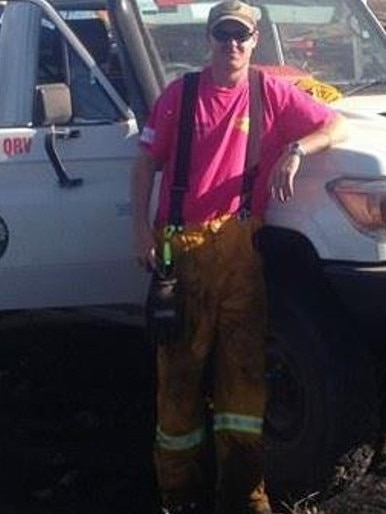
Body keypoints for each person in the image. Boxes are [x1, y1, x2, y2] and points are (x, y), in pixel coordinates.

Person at [132, 1, 349, 513]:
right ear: (208, 39)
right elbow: (143, 165)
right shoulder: (179, 96)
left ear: (255, 42)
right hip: (181, 253)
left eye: (241, 36)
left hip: (241, 253)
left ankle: (244, 496)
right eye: (222, 34)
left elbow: (334, 125)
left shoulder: (269, 91)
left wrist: (298, 149)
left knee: (244, 384)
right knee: (180, 379)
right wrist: (139, 229)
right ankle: (179, 496)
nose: (231, 45)